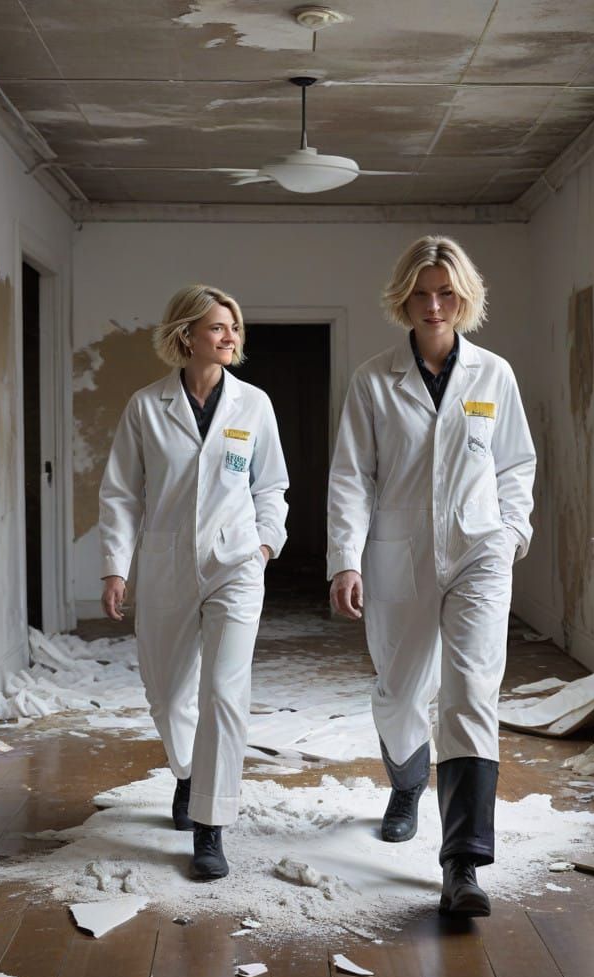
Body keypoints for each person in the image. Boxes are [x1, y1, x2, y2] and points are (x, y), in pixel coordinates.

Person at [327, 236, 535, 916]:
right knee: (398, 691)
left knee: (471, 694)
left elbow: (514, 466)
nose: (435, 304)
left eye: (447, 292)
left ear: (465, 298)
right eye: (423, 293)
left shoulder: (493, 376)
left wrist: (510, 534)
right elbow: (351, 477)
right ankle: (407, 780)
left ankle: (463, 865)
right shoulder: (372, 379)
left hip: (479, 551)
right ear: (404, 299)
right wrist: (345, 560)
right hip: (399, 553)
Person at [99, 284, 288, 880]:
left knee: (224, 692)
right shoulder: (146, 407)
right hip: (166, 564)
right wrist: (115, 565)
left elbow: (271, 487)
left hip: (236, 565)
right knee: (167, 691)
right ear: (185, 335)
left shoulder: (254, 405)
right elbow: (122, 493)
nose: (230, 337)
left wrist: (263, 545)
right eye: (217, 328)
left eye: (234, 327)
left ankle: (211, 826)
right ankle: (188, 771)